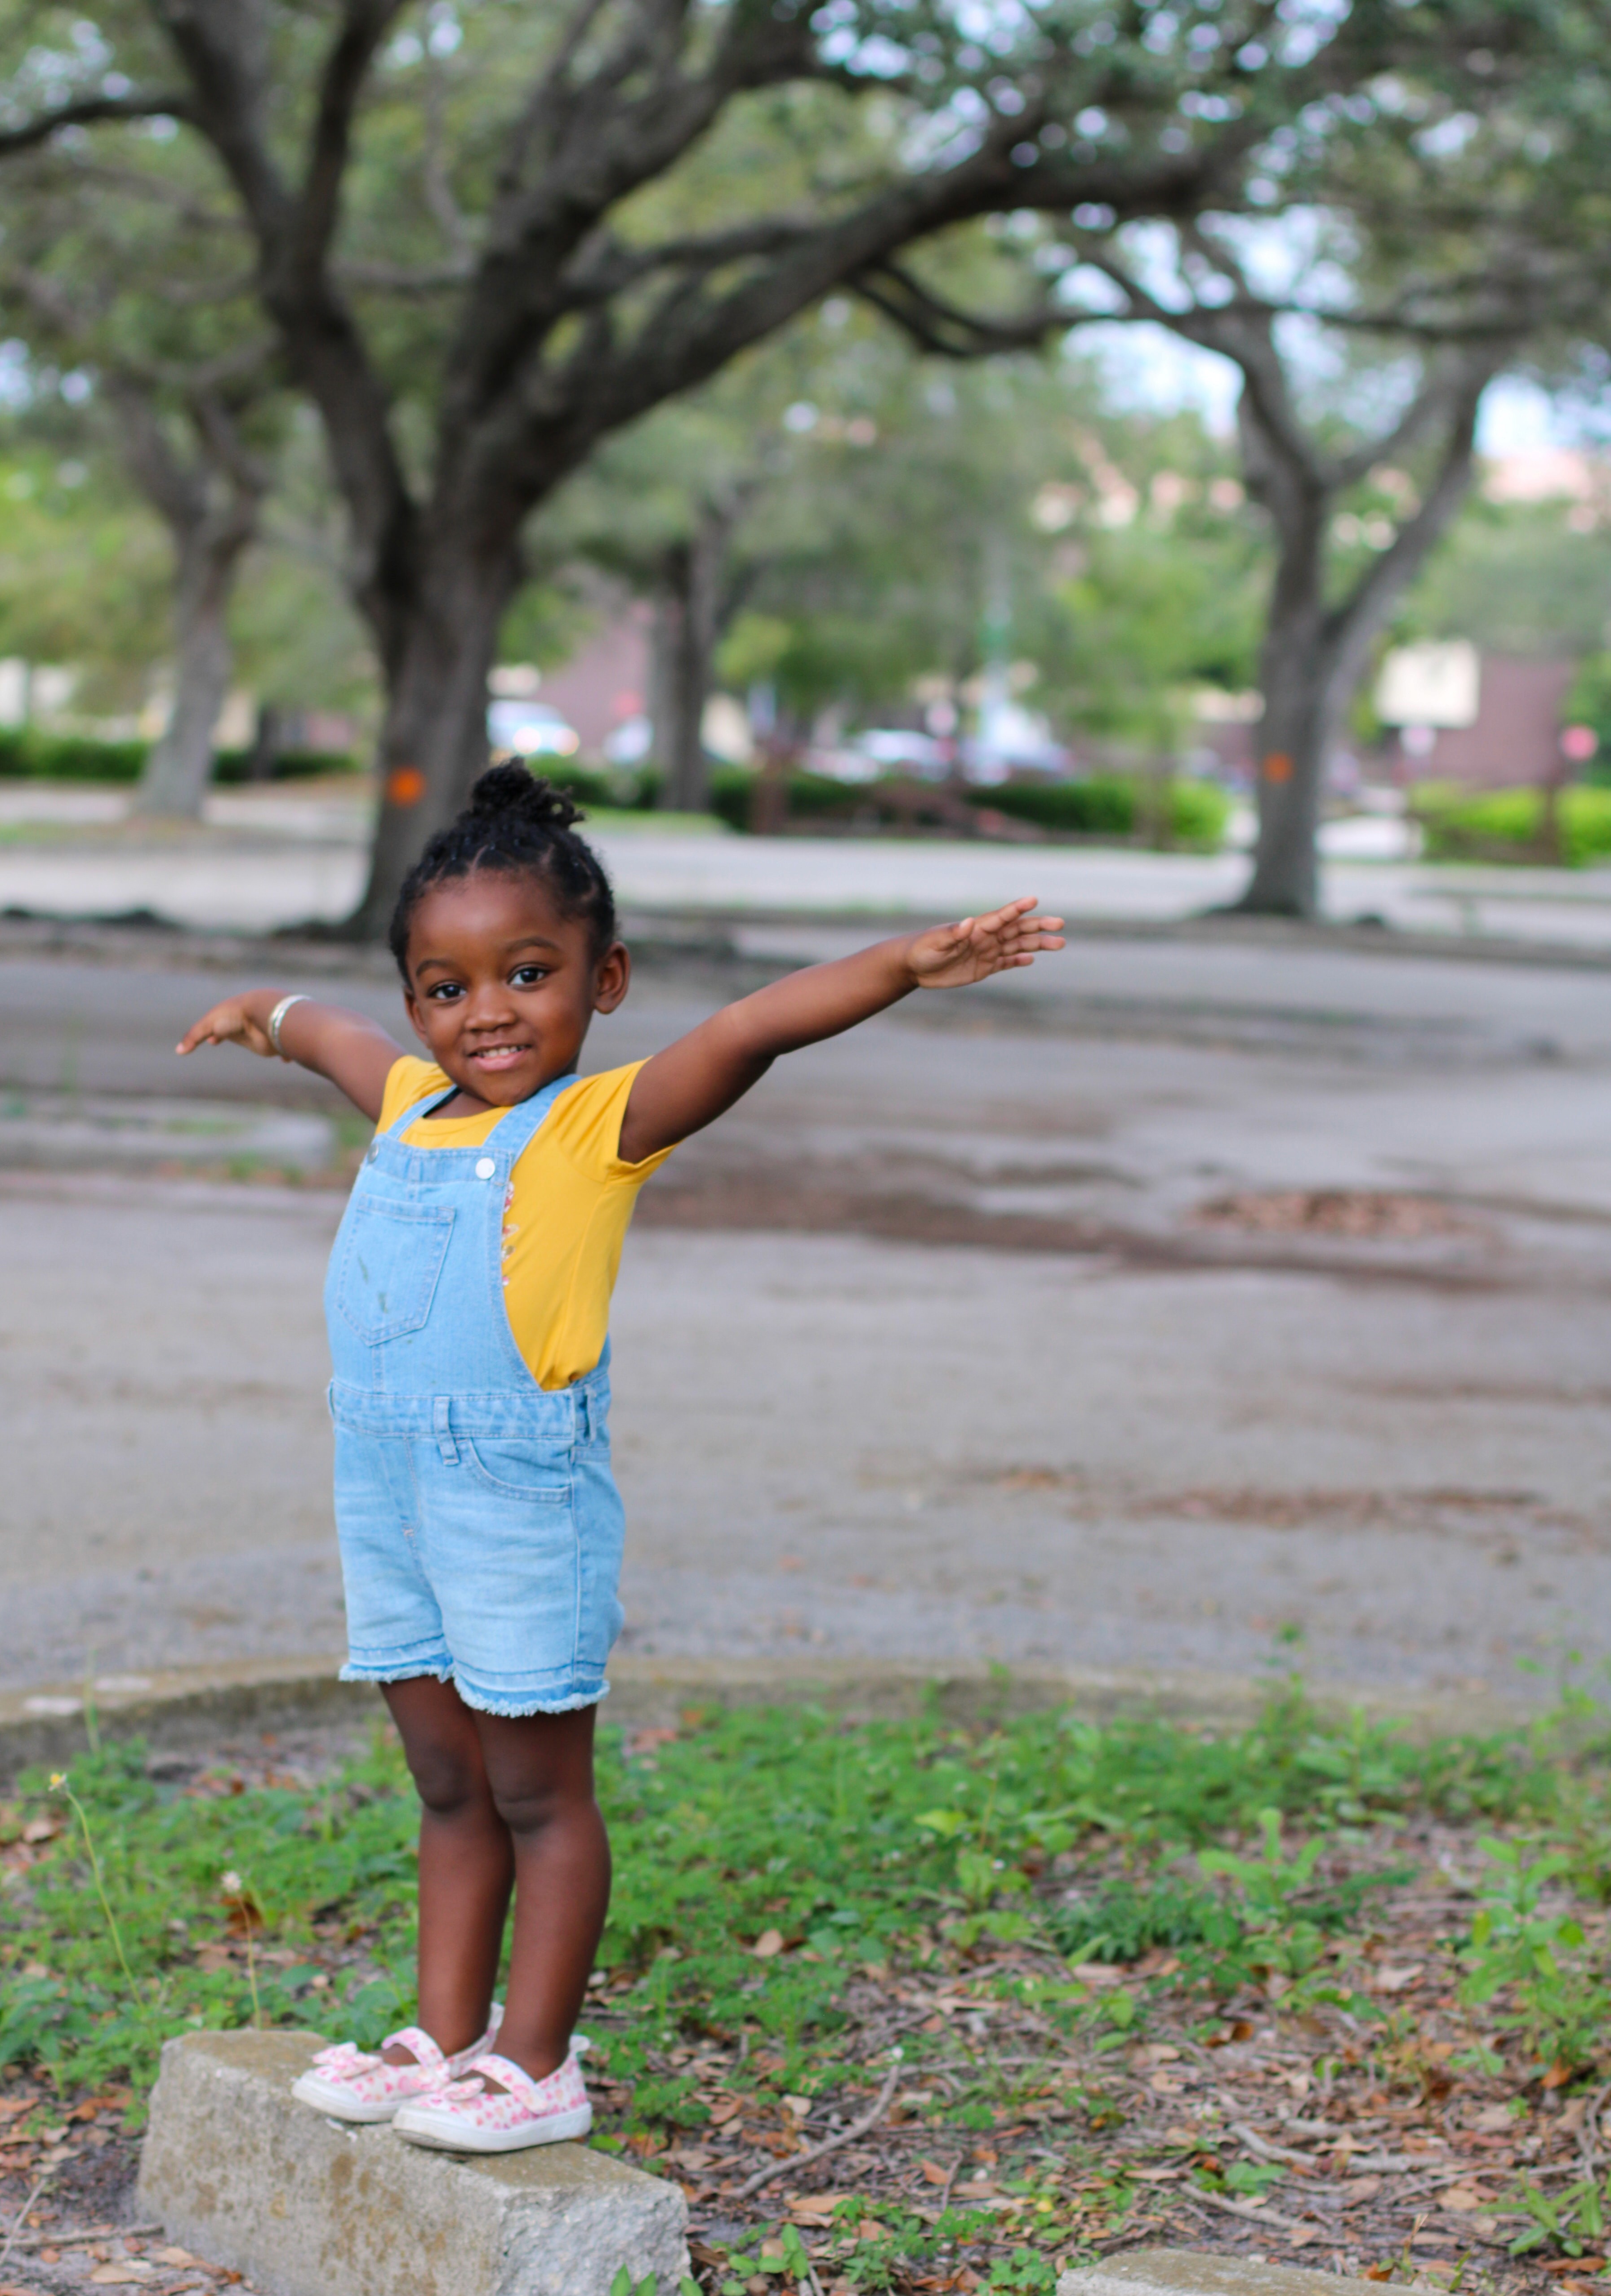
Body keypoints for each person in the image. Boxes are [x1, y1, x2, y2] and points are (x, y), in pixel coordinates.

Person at [177, 760, 1064, 2151]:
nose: (486, 1014)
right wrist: (264, 1016)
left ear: (606, 981)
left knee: (537, 1790)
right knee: (447, 1784)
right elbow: (333, 1035)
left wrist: (907, 962)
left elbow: (755, 1029)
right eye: (446, 987)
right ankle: (442, 2036)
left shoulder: (603, 1125)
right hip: (391, 1489)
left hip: (515, 1495)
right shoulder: (410, 1103)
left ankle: (535, 2063)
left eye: (528, 975)